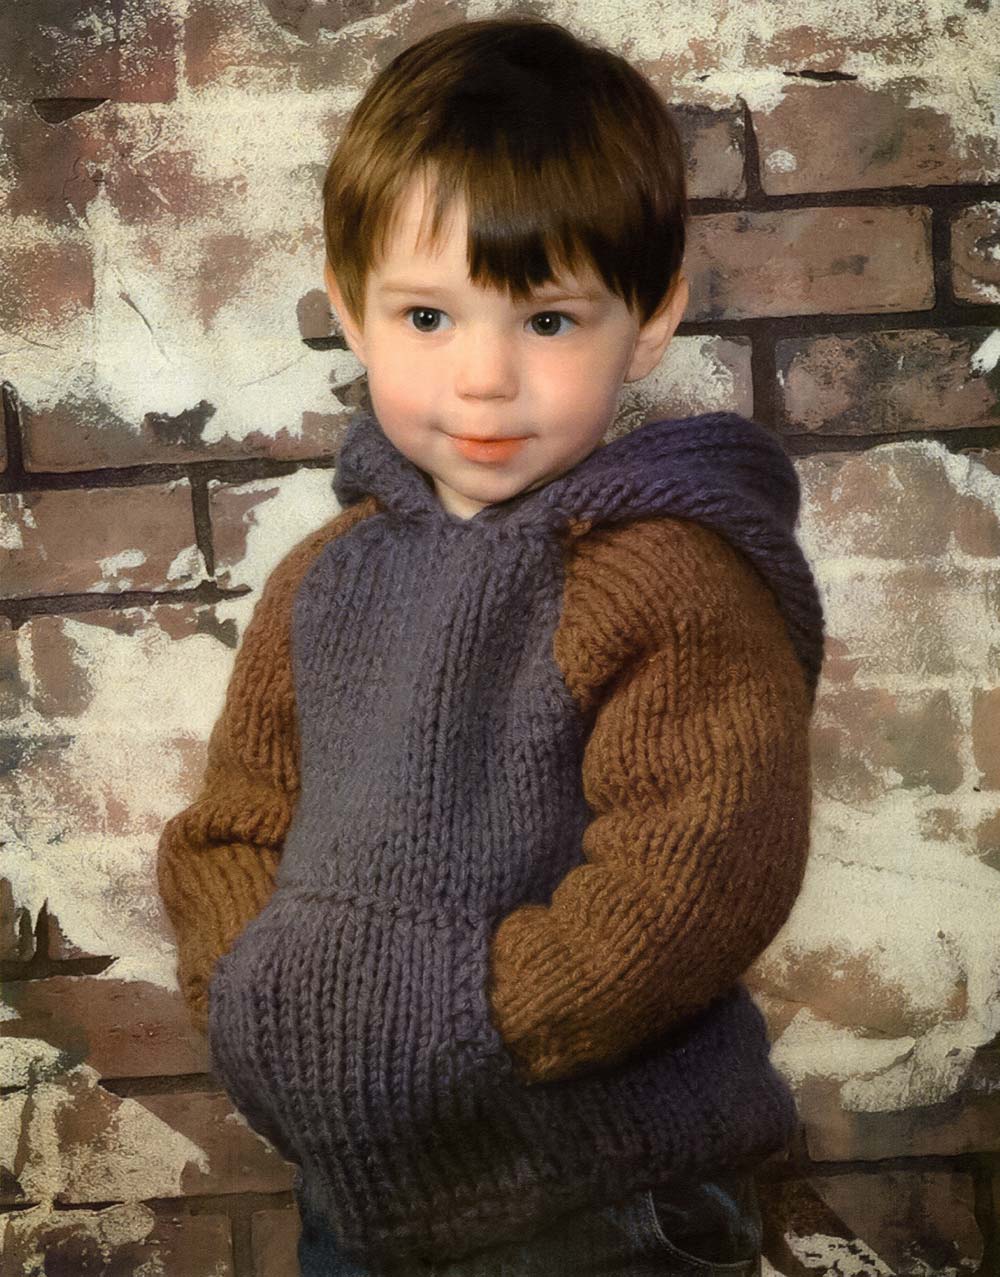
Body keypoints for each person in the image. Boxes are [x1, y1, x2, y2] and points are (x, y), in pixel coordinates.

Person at [156, 14, 826, 1276]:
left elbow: (692, 876)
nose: (482, 377)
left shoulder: (666, 575)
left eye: (548, 322)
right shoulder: (323, 578)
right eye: (427, 315)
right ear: (351, 312)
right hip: (357, 1192)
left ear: (650, 321)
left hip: (599, 1197)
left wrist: (467, 1021)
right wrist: (260, 998)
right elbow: (234, 824)